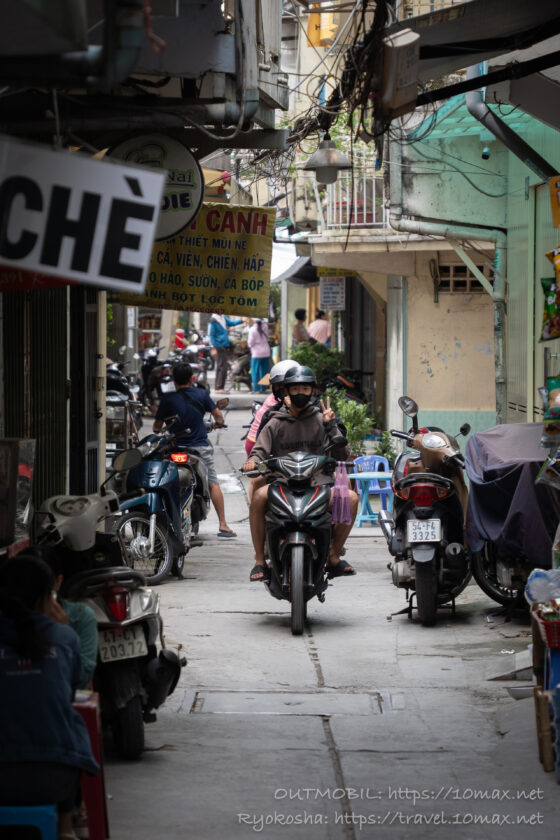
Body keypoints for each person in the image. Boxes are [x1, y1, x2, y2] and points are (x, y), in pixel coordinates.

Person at [0, 555, 99, 840]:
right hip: (55, 780)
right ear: (48, 597)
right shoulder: (64, 637)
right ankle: (67, 827)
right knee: (64, 725)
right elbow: (72, 688)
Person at [242, 365, 358, 581]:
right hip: (282, 485)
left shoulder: (322, 419)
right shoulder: (275, 421)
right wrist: (252, 462)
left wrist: (331, 426)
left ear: (313, 391)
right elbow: (258, 451)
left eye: (305, 389)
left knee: (350, 498)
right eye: (296, 389)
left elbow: (342, 455)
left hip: (318, 485)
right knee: (258, 497)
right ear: (286, 392)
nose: (301, 393)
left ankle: (333, 556)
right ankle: (259, 561)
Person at [154, 362, 237, 538]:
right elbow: (218, 416)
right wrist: (217, 424)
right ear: (192, 379)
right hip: (200, 449)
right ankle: (223, 524)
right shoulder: (201, 394)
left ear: (174, 380)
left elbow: (156, 427)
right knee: (213, 482)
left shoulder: (168, 399)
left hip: (175, 447)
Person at [23, 544, 98, 689]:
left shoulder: (81, 616)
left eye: (42, 584)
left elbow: (82, 678)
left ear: (58, 582)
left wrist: (64, 635)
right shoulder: (9, 621)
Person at [208, 313, 243, 392]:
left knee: (222, 367)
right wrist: (213, 348)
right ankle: (219, 388)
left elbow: (231, 323)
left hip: (224, 345)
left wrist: (241, 320)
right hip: (218, 346)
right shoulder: (213, 320)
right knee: (222, 367)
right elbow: (211, 335)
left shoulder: (223, 317)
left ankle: (219, 387)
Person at [247, 318, 271, 393]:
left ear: (254, 320)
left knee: (255, 371)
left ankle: (256, 388)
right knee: (264, 370)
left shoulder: (252, 329)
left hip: (256, 353)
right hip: (266, 352)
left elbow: (250, 343)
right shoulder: (265, 327)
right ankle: (263, 388)